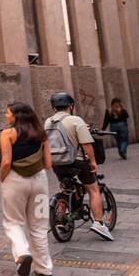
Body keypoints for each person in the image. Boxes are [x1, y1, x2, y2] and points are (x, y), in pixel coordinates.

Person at [45, 93, 114, 240]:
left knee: (65, 189)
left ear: (53, 107)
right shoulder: (75, 120)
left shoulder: (48, 122)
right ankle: (98, 223)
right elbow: (86, 144)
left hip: (57, 162)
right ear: (71, 106)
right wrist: (93, 161)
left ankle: (61, 220)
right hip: (77, 161)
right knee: (93, 190)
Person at [0, 101, 53, 276]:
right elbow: (49, 164)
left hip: (15, 181)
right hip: (40, 181)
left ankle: (22, 253)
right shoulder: (41, 133)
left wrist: (2, 179)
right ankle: (44, 267)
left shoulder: (7, 134)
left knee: (13, 221)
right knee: (39, 225)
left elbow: (6, 161)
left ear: (16, 116)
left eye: (8, 113)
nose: (6, 116)